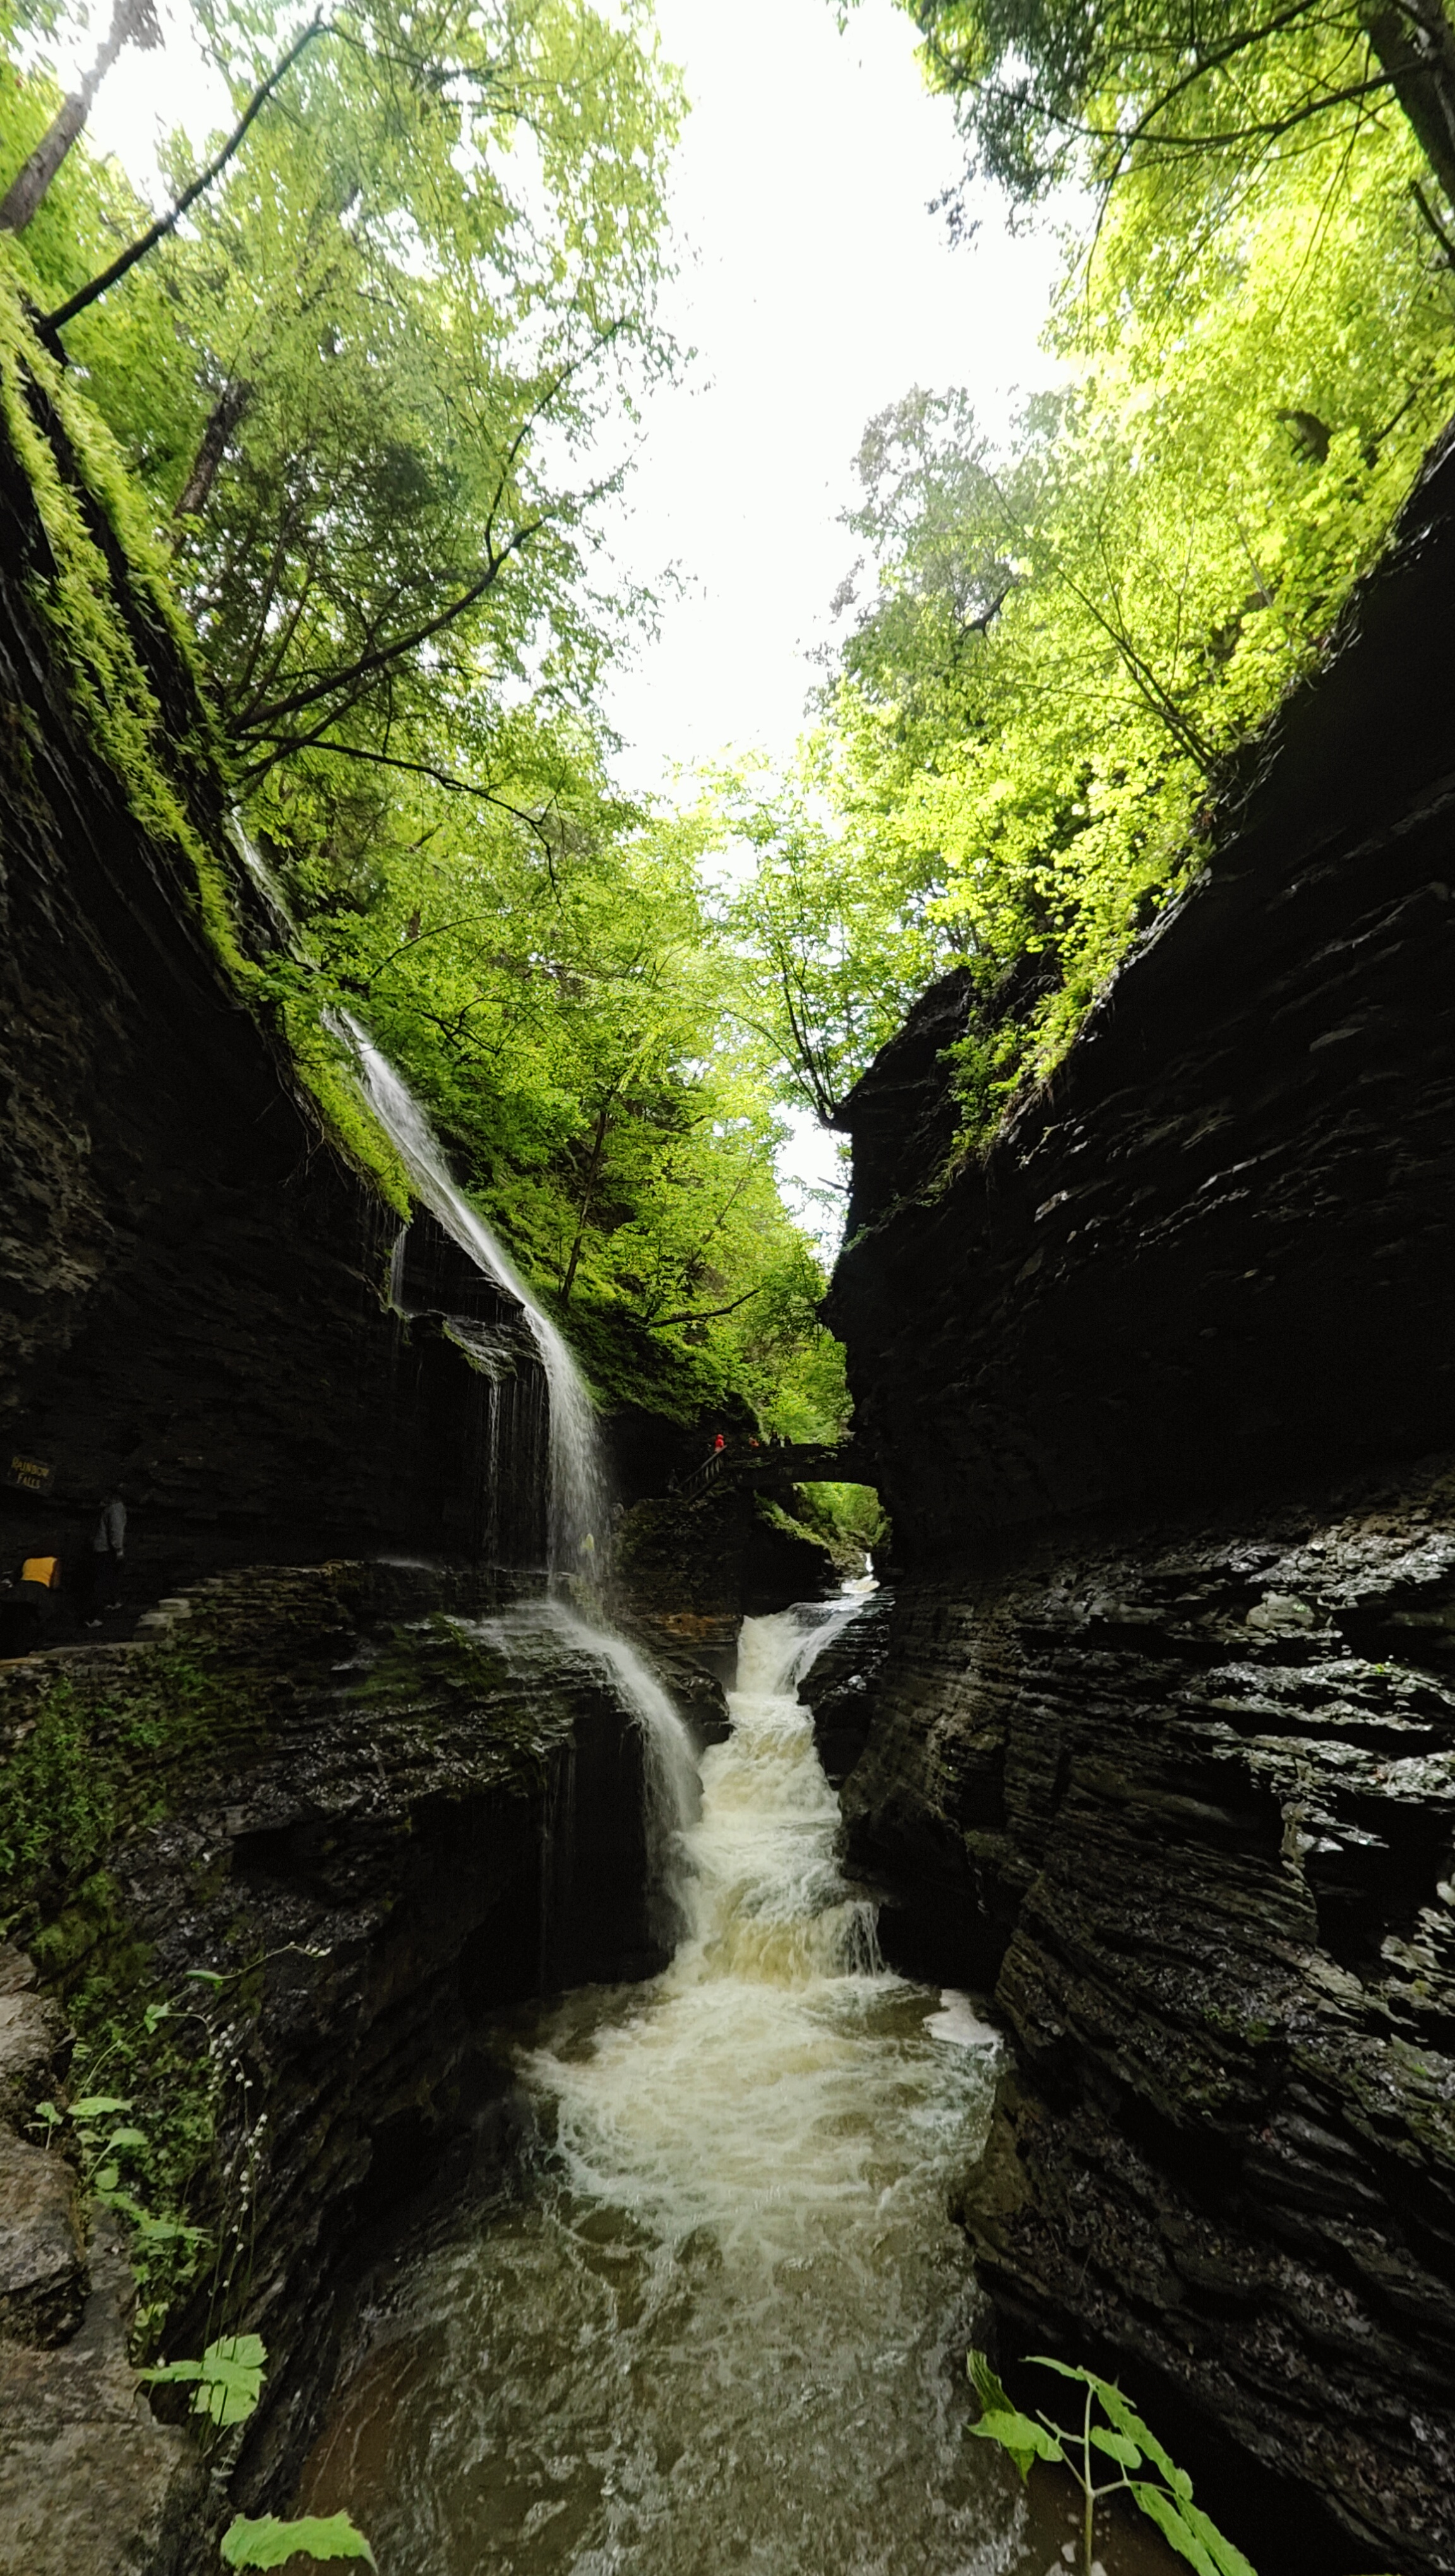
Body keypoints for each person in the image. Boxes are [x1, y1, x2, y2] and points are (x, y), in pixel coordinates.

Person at [78, 1488, 126, 1628]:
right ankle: (95, 1616)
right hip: (107, 1550)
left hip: (99, 1548)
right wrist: (119, 1549)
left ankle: (110, 1604)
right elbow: (116, 1530)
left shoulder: (106, 1508)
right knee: (103, 1582)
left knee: (103, 1580)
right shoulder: (116, 1508)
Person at [0, 1551, 63, 1657]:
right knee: (38, 1622)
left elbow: (13, 1578)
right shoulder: (55, 1561)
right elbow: (55, 1584)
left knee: (11, 1623)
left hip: (19, 1591)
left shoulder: (28, 1560)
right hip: (38, 1593)